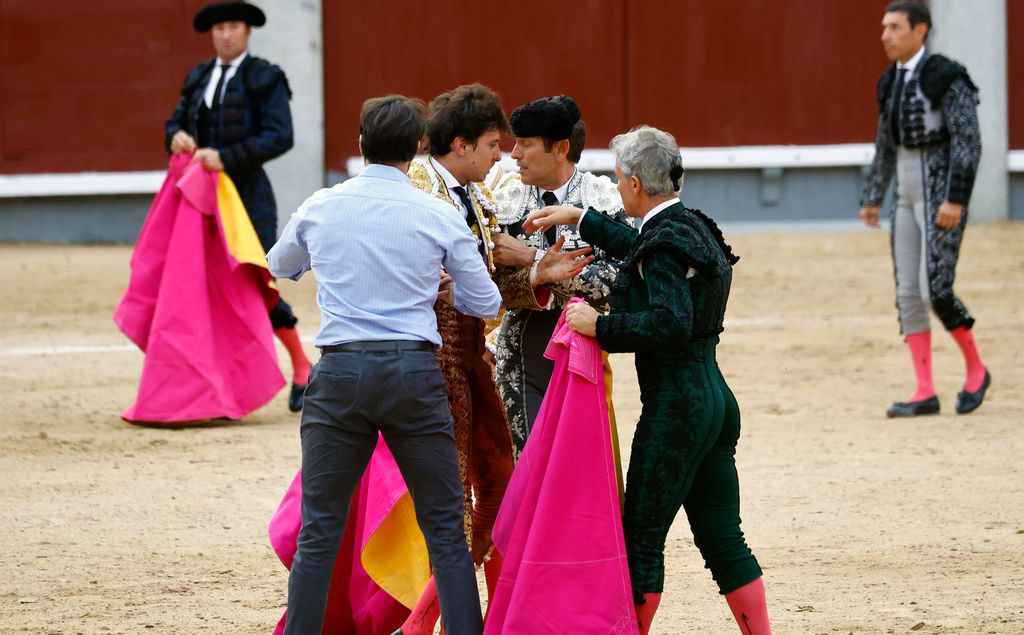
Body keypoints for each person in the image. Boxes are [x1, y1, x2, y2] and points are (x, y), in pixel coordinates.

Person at [267, 95, 501, 635]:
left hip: (341, 374)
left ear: (359, 145)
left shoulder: (322, 205)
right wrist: (439, 284)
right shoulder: (437, 213)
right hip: (412, 375)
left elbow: (281, 265)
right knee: (444, 527)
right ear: (419, 145)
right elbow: (486, 303)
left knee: (320, 528)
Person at [524, 125, 771, 634]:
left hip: (676, 409)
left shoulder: (663, 244)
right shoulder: (691, 226)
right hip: (715, 404)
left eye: (618, 181)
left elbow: (669, 320)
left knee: (640, 540)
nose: (617, 189)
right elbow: (646, 247)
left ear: (635, 184)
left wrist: (601, 326)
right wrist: (584, 219)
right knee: (724, 538)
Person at [397, 84, 594, 635]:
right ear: (459, 145)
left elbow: (481, 285)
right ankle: (433, 622)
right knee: (453, 502)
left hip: (467, 356)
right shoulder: (420, 193)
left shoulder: (466, 194)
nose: (500, 156)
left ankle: (487, 617)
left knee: (499, 484)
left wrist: (536, 272)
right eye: (490, 144)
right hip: (427, 357)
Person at [165, 1, 311, 412]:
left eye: (233, 26)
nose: (226, 34)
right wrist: (175, 136)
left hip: (248, 200)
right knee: (205, 289)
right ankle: (217, 385)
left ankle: (301, 365)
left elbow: (280, 136)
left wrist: (227, 158)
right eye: (220, 28)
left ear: (247, 32)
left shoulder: (265, 76)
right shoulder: (199, 77)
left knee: (251, 284)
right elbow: (174, 122)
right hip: (200, 201)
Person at [859, 0, 990, 417]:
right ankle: (924, 390)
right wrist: (873, 195)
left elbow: (968, 141)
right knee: (908, 292)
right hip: (906, 194)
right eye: (883, 27)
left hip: (939, 195)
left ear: (921, 31)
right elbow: (885, 143)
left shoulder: (947, 76)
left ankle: (976, 369)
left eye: (894, 27)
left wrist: (956, 197)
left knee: (936, 288)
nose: (885, 35)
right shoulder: (889, 81)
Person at [490, 95, 628, 457]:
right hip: (521, 355)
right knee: (533, 466)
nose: (514, 154)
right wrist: (540, 271)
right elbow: (491, 288)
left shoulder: (605, 199)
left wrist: (531, 260)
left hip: (585, 356)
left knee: (582, 468)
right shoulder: (502, 201)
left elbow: (618, 285)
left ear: (560, 148)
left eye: (525, 143)